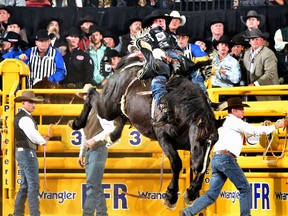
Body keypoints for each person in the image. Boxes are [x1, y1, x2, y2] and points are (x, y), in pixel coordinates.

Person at [180, 97, 286, 216]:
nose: (243, 111)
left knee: (211, 194)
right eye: (241, 109)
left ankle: (188, 212)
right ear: (234, 110)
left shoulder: (225, 122)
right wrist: (276, 126)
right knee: (245, 188)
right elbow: (254, 131)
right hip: (226, 159)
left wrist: (271, 126)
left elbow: (251, 132)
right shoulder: (235, 122)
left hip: (217, 159)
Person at [71, 84, 114, 216]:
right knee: (95, 185)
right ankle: (102, 213)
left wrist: (95, 139)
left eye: (87, 95)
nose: (85, 97)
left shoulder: (100, 111)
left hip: (98, 149)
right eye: (84, 95)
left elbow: (110, 129)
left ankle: (88, 213)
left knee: (92, 185)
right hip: (92, 151)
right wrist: (81, 153)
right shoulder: (88, 112)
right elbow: (85, 135)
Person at [13, 90, 50, 216]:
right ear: (23, 102)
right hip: (27, 153)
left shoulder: (22, 117)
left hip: (22, 152)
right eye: (30, 102)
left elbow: (30, 135)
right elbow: (32, 134)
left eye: (34, 103)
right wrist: (42, 141)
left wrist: (40, 139)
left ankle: (18, 213)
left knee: (24, 186)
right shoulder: (25, 118)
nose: (33, 105)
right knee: (33, 185)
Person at [242, 28, 280, 101]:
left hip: (266, 94)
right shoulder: (247, 53)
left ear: (262, 40)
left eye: (257, 39)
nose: (254, 41)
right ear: (250, 42)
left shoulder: (268, 53)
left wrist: (255, 84)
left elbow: (270, 74)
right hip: (251, 93)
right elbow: (245, 71)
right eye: (252, 39)